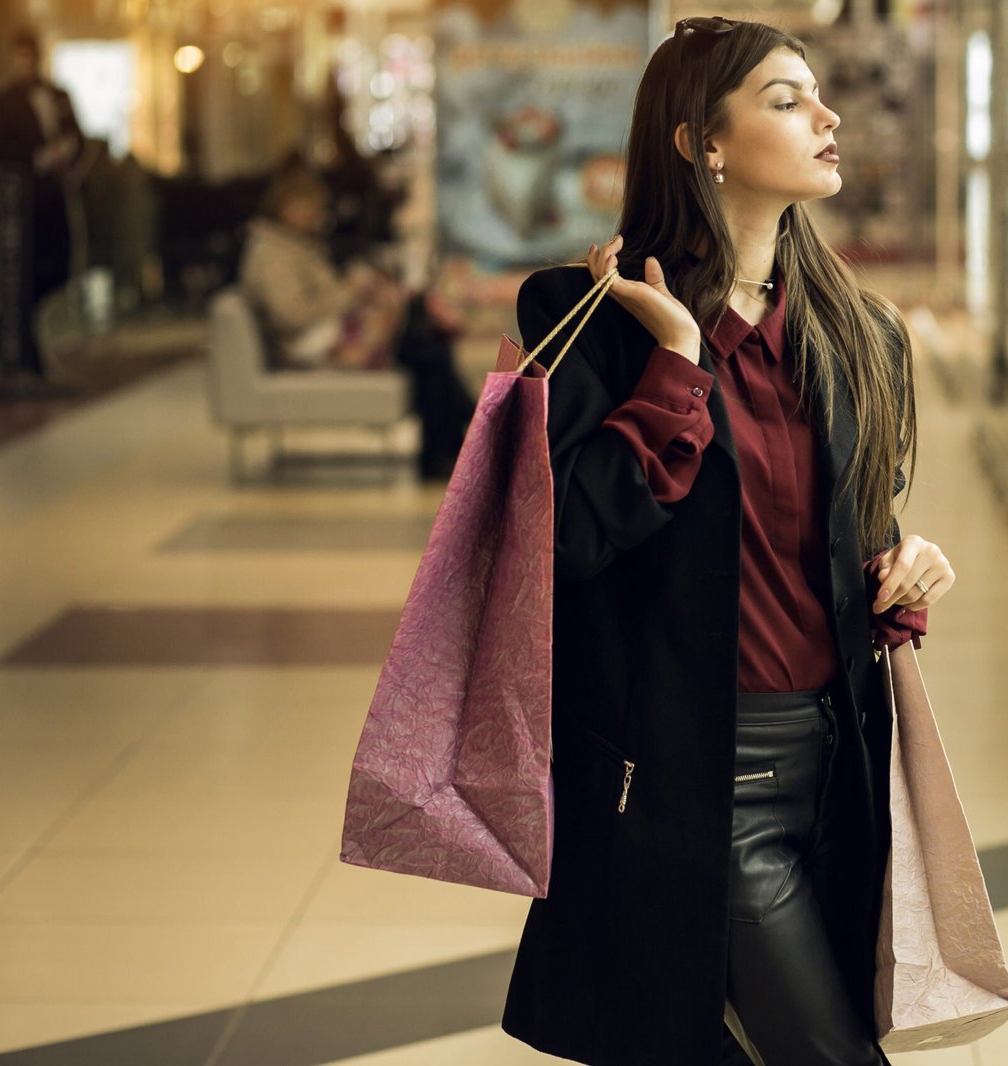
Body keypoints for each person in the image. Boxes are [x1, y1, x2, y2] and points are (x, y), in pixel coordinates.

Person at [499, 17, 955, 1066]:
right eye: (787, 100)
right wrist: (677, 361)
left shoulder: (860, 330)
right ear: (701, 141)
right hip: (695, 771)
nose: (828, 118)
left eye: (817, 96)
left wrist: (904, 572)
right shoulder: (586, 317)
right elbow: (567, 539)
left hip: (840, 759)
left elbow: (853, 533)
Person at [237, 167, 474, 479]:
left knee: (427, 345)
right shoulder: (271, 253)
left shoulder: (291, 244)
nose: (319, 216)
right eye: (313, 208)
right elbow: (294, 315)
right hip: (314, 342)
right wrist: (350, 291)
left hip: (326, 331)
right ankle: (464, 437)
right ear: (288, 207)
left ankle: (458, 443)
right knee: (423, 342)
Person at [0, 29, 83, 382]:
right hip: (24, 201)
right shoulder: (6, 102)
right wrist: (36, 160)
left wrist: (66, 157)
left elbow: (78, 135)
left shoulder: (57, 95)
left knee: (60, 264)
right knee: (25, 272)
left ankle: (21, 328)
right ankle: (20, 342)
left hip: (55, 195)